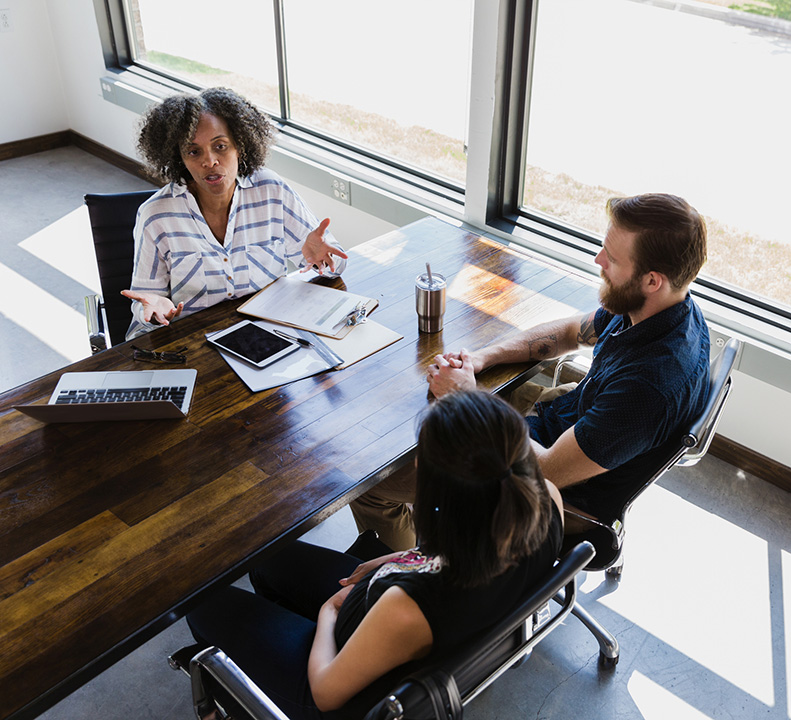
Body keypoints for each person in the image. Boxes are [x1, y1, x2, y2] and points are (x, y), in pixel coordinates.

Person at [352, 192, 711, 550]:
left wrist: (466, 397)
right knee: (437, 406)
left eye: (613, 259)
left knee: (372, 482)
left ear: (652, 280)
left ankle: (410, 587)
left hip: (551, 491)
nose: (598, 259)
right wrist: (483, 358)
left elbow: (547, 471)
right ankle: (440, 532)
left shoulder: (648, 389)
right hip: (561, 419)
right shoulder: (663, 308)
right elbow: (571, 332)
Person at [185, 390, 563, 719]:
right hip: (404, 621)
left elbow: (326, 694)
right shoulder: (547, 502)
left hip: (337, 688)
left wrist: (329, 614)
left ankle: (257, 689)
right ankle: (273, 647)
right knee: (267, 559)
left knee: (201, 602)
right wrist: (399, 558)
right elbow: (469, 541)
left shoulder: (409, 607)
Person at [122, 87, 348, 339]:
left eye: (220, 146)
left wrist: (322, 260)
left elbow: (334, 264)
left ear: (240, 146)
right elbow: (145, 303)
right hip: (195, 342)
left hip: (268, 334)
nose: (210, 161)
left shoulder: (271, 191)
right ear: (179, 158)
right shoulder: (156, 216)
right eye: (193, 151)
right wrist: (154, 310)